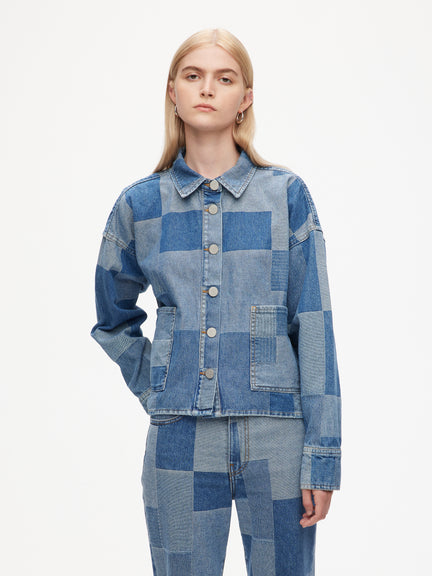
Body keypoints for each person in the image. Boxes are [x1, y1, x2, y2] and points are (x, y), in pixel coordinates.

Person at [90, 28, 341, 576]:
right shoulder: (140, 206)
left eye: (224, 78)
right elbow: (113, 321)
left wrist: (321, 458)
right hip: (178, 439)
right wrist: (157, 385)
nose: (207, 88)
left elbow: (314, 325)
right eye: (193, 75)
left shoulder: (286, 196)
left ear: (244, 99)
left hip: (277, 438)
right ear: (173, 92)